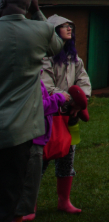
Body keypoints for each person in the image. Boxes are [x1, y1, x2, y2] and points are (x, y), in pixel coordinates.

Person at [0, 0, 63, 222]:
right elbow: (57, 48)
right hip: (20, 129)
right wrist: (37, 12)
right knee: (11, 191)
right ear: (29, 7)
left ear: (3, 2)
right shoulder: (42, 30)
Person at [40, 16, 92, 215]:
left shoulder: (75, 59)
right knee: (41, 160)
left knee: (67, 158)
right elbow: (47, 86)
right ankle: (29, 204)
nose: (69, 28)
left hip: (71, 116)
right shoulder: (44, 58)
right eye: (63, 26)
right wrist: (70, 100)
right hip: (49, 115)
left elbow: (84, 81)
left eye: (70, 25)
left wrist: (81, 101)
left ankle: (64, 201)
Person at [13, 79, 71, 222]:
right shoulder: (28, 80)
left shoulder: (33, 78)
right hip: (31, 139)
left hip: (34, 138)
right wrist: (59, 98)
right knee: (26, 186)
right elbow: (36, 108)